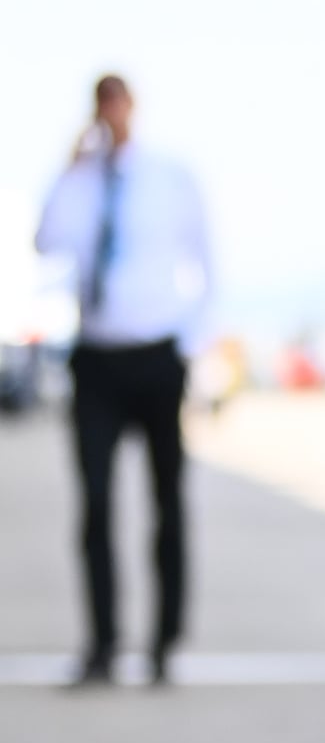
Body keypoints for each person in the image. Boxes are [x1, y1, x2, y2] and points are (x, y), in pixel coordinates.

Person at [36, 75, 212, 684]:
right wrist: (69, 166)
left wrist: (189, 344)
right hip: (97, 358)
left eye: (118, 103)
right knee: (95, 506)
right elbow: (46, 241)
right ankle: (103, 643)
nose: (111, 114)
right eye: (101, 105)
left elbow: (207, 261)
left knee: (167, 502)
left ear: (132, 107)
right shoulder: (80, 182)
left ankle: (164, 643)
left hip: (158, 356)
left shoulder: (169, 176)